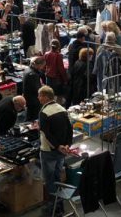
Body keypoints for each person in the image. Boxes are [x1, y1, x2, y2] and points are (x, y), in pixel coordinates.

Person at [38, 85, 73, 217]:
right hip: (62, 151)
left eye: (40, 95)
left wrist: (57, 146)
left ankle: (53, 210)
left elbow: (47, 134)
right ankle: (60, 206)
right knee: (58, 177)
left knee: (50, 181)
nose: (38, 98)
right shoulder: (62, 109)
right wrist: (67, 145)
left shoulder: (44, 112)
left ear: (46, 97)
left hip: (48, 151)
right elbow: (70, 129)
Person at [24, 57, 45, 121]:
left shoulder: (28, 69)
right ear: (38, 65)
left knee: (30, 114)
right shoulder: (33, 74)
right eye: (42, 66)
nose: (42, 68)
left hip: (28, 97)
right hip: (33, 99)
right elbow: (37, 89)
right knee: (34, 117)